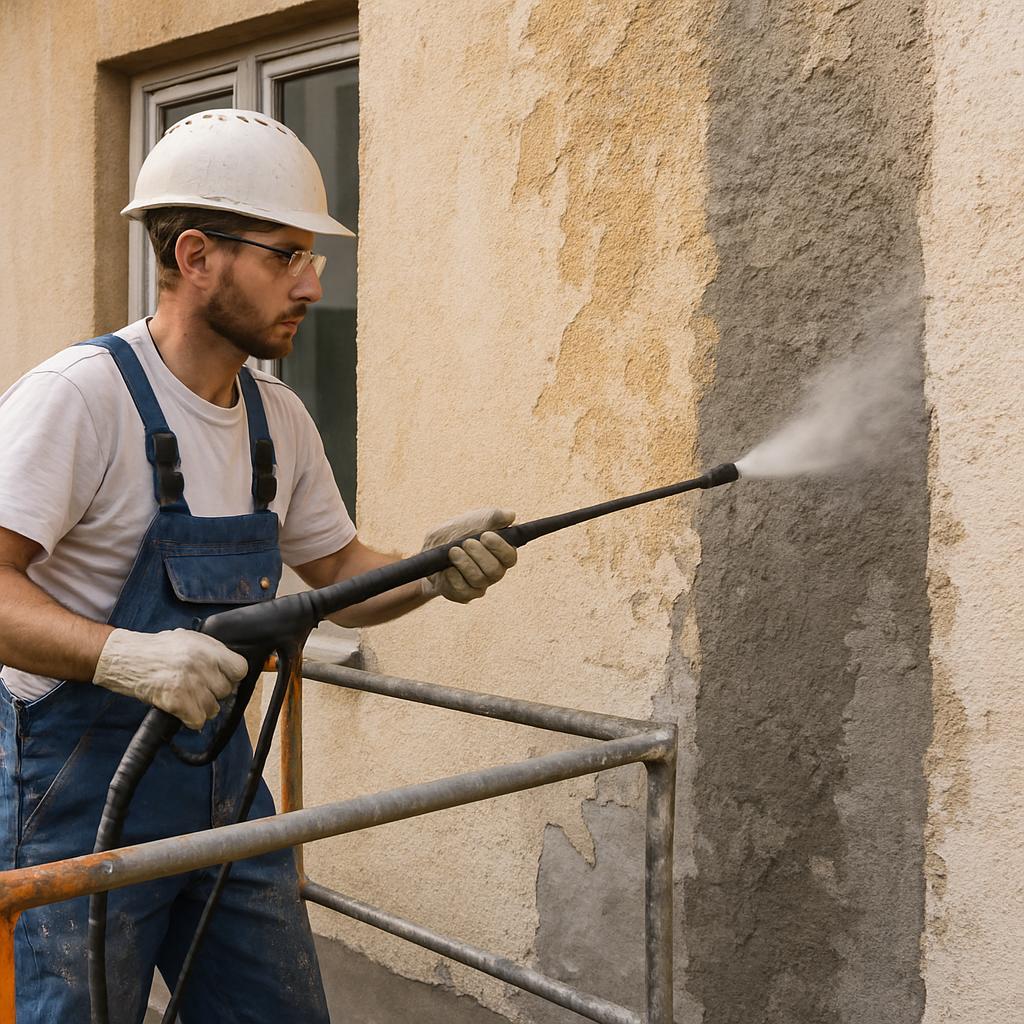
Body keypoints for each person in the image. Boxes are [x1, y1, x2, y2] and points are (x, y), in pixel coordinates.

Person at [0, 109, 518, 1024]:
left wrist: (436, 569)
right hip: (75, 797)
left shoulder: (276, 418)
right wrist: (123, 655)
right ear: (197, 256)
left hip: (223, 784)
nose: (314, 284)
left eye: (311, 257)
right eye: (288, 255)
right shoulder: (78, 400)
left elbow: (340, 570)